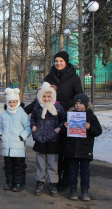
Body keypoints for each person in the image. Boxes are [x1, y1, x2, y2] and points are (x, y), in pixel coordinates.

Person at [24, 51, 83, 191]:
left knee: (66, 152)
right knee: (54, 153)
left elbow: (79, 96)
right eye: (56, 61)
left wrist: (81, 111)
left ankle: (65, 180)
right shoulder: (50, 76)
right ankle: (54, 180)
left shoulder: (74, 78)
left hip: (67, 117)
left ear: (66, 62)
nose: (58, 63)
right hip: (50, 121)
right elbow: (41, 97)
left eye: (61, 61)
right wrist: (24, 110)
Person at [62, 93, 102, 201]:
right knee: (72, 172)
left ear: (86, 104)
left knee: (85, 172)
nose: (78, 106)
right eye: (76, 103)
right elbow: (63, 133)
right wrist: (65, 127)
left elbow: (98, 131)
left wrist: (90, 127)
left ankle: (85, 191)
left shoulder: (91, 117)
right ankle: (73, 191)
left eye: (81, 103)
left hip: (85, 149)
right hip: (72, 149)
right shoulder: (70, 115)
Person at [30, 82, 66, 197]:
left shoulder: (58, 107)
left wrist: (59, 128)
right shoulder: (37, 107)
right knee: (40, 163)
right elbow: (33, 118)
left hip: (53, 139)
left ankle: (53, 183)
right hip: (40, 138)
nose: (46, 99)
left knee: (52, 163)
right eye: (44, 96)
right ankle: (40, 182)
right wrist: (33, 125)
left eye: (49, 96)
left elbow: (63, 119)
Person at [0, 88, 31, 192]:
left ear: (18, 102)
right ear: (7, 103)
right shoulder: (3, 115)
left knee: (19, 167)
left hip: (19, 147)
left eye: (14, 102)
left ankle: (19, 183)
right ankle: (9, 182)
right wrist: (0, 135)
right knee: (8, 166)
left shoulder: (22, 114)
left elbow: (28, 127)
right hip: (7, 147)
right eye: (10, 102)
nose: (12, 104)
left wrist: (22, 136)